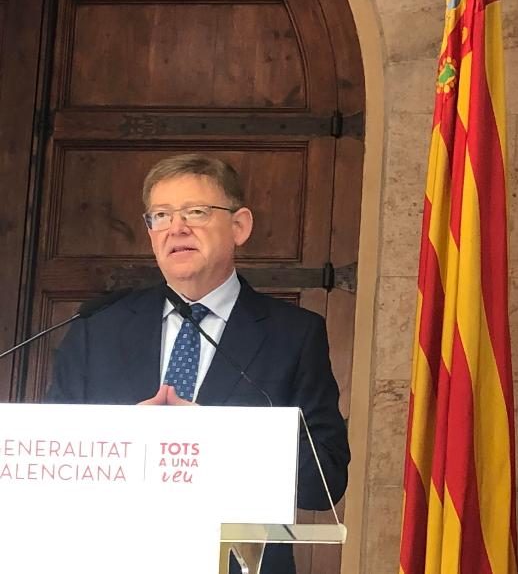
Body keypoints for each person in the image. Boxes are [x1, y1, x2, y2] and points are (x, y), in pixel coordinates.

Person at [45, 153, 349, 574]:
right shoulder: (96, 328)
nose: (177, 228)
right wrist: (122, 440)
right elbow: (48, 468)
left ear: (239, 226)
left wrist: (216, 442)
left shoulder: (294, 335)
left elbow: (326, 479)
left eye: (197, 212)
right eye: (161, 216)